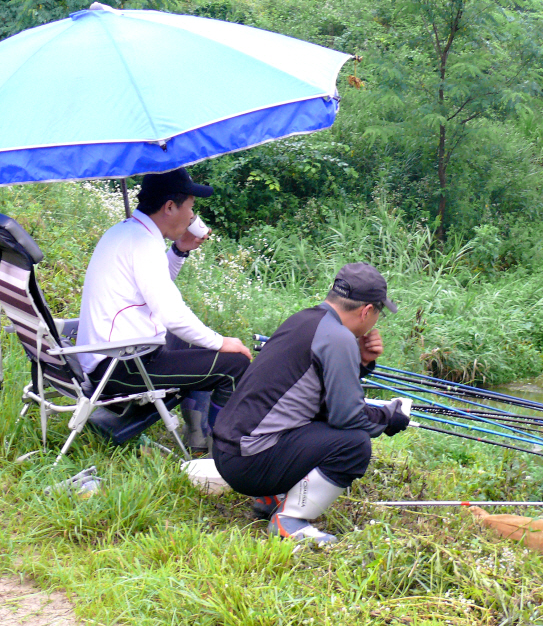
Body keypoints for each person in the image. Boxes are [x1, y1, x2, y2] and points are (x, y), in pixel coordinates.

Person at [212, 262, 411, 545]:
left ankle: (270, 498)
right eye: (379, 313)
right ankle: (289, 520)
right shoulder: (339, 337)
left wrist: (361, 363)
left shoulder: (304, 320)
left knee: (322, 426)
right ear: (367, 311)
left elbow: (317, 397)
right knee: (353, 444)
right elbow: (347, 417)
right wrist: (388, 418)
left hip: (227, 451)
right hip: (249, 461)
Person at [76, 168, 252, 450]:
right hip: (120, 367)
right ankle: (224, 453)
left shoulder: (126, 231)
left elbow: (152, 286)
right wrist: (222, 342)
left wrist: (180, 250)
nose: (192, 217)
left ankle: (198, 436)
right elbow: (172, 314)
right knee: (234, 364)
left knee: (195, 342)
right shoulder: (143, 243)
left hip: (107, 355)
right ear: (170, 207)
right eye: (191, 207)